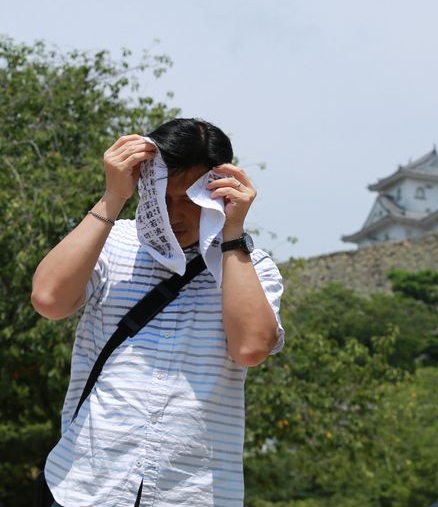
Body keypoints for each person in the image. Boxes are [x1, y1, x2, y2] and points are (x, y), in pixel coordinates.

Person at [31, 118, 284, 507]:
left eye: (190, 200)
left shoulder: (251, 266)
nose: (175, 214)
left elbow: (250, 349)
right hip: (87, 486)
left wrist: (233, 233)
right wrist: (112, 196)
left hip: (190, 493)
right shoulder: (111, 242)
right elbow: (48, 300)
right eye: (164, 197)